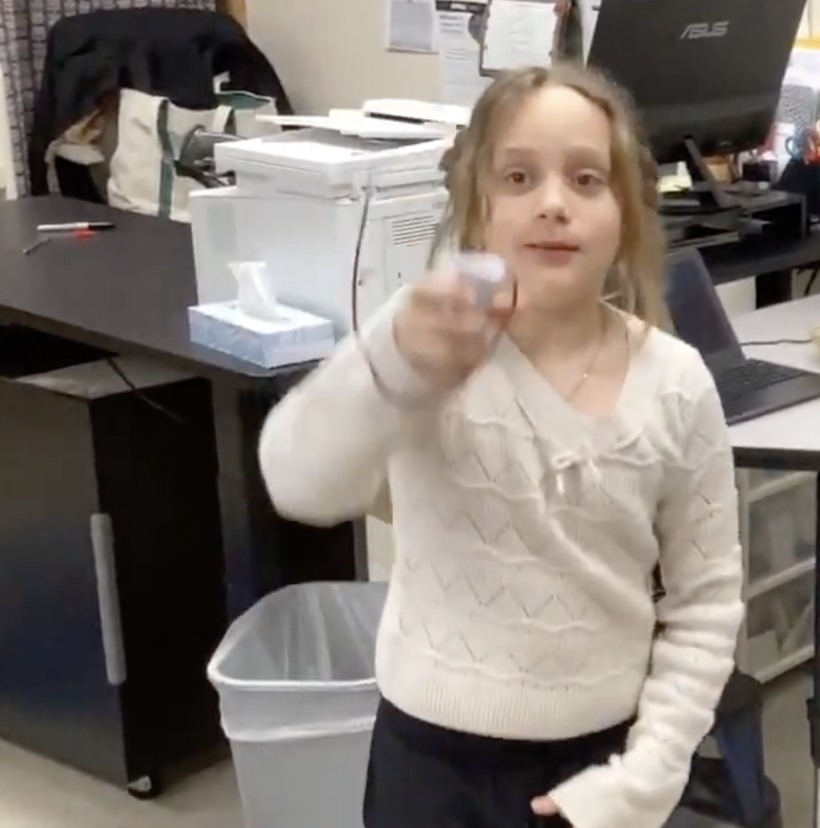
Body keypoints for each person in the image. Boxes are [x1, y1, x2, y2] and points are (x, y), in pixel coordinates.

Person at [259, 63, 744, 828]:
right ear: (477, 207)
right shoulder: (423, 341)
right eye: (520, 177)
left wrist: (647, 776)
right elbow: (299, 483)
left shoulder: (676, 384)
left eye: (587, 180)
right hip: (428, 769)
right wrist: (390, 365)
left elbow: (707, 603)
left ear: (626, 212)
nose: (553, 203)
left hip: (599, 769)